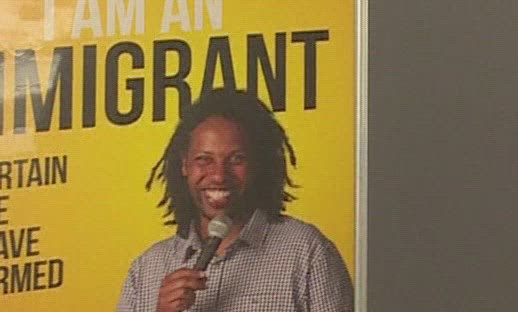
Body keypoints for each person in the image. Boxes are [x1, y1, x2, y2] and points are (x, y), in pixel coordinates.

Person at [116, 89, 353, 312]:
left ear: (257, 164)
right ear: (184, 165)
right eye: (204, 159)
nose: (219, 175)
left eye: (236, 159)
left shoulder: (307, 252)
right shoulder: (146, 270)